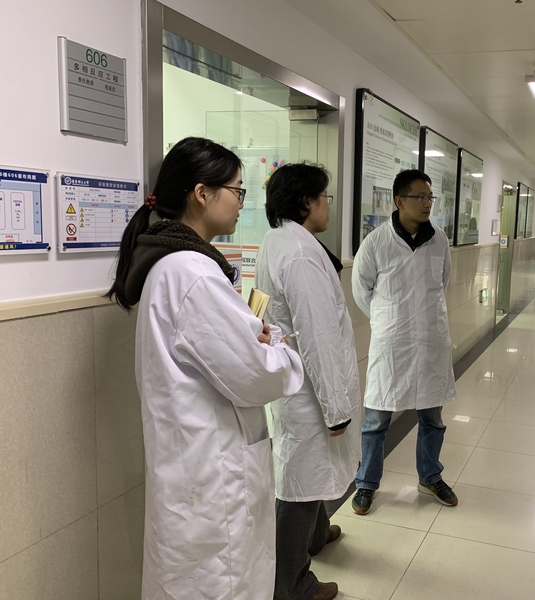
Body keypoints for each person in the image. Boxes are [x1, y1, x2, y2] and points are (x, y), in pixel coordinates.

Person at [106, 137, 305, 599]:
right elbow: (260, 374)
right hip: (214, 482)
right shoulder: (191, 272)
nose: (241, 202)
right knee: (219, 584)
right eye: (237, 190)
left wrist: (252, 338)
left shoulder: (173, 267)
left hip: (196, 470)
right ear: (201, 193)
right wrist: (277, 344)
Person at [255, 163, 360, 600]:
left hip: (291, 383)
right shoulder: (299, 254)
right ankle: (292, 585)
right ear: (306, 202)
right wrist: (336, 409)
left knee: (308, 470)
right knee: (299, 484)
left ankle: (317, 536)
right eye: (324, 197)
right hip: (308, 393)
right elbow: (318, 338)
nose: (327, 206)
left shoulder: (277, 240)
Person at [350, 169, 458, 515]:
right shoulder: (376, 242)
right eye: (419, 197)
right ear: (399, 201)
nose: (427, 203)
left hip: (430, 342)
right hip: (392, 344)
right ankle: (366, 483)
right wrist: (388, 320)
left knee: (433, 418)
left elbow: (443, 282)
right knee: (375, 420)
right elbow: (360, 290)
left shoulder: (439, 240)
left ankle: (430, 476)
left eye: (430, 197)